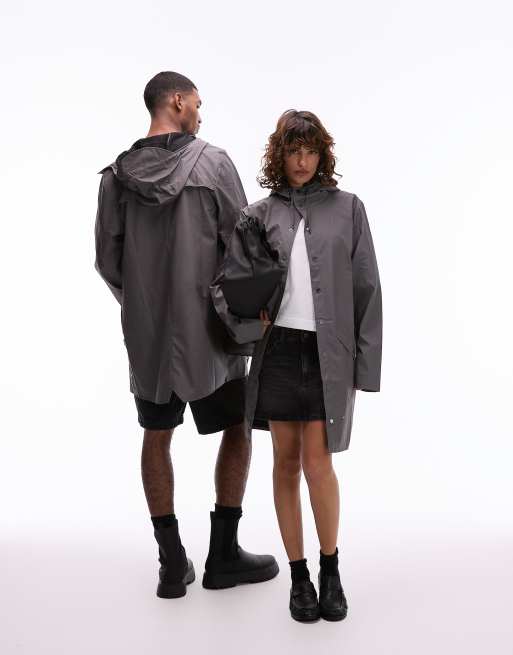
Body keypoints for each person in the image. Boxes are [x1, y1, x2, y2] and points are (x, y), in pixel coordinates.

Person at [94, 71, 278, 599]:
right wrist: (238, 310)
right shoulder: (214, 163)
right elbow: (246, 249)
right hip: (212, 333)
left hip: (149, 337)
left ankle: (171, 563)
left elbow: (107, 261)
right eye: (197, 102)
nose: (200, 112)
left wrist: (144, 307)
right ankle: (224, 555)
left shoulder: (115, 178)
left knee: (156, 434)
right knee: (237, 427)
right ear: (177, 101)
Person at [210, 110, 382, 621]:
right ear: (279, 156)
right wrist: (248, 324)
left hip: (330, 354)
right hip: (278, 351)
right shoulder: (258, 215)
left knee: (318, 463)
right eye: (292, 151)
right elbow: (226, 285)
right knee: (285, 462)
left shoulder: (349, 209)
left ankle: (331, 569)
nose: (301, 161)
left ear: (322, 155)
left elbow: (367, 287)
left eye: (309, 151)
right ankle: (299, 575)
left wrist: (366, 366)